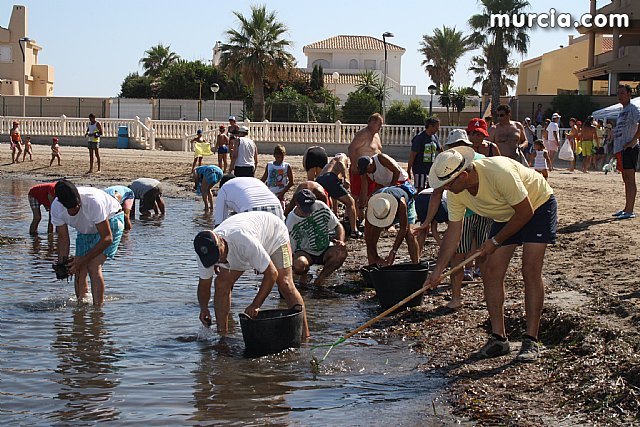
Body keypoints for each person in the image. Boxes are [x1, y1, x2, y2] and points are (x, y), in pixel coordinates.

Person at [424, 147, 557, 362]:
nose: (446, 188)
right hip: (505, 213)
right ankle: (499, 338)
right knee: (491, 271)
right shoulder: (457, 193)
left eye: (449, 183)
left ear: (464, 175)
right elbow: (453, 234)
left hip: (537, 205)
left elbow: (525, 212)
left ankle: (531, 340)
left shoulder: (498, 172)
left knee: (530, 269)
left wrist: (495, 241)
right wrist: (438, 271)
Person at [194, 211, 310, 338]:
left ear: (221, 241)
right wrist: (203, 308)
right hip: (244, 250)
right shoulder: (203, 252)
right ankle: (223, 338)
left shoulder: (243, 240)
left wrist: (256, 304)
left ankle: (305, 336)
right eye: (213, 260)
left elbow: (271, 274)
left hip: (274, 236)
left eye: (218, 256)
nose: (218, 261)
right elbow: (204, 284)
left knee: (285, 284)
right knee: (221, 283)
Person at [414, 129, 494, 308]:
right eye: (454, 147)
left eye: (459, 146)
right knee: (464, 253)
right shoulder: (448, 163)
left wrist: (427, 222)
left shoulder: (478, 160)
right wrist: (427, 222)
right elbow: (437, 193)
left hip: (479, 211)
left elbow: (437, 194)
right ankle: (459, 297)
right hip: (468, 211)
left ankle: (475, 296)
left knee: (475, 255)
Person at [51, 180, 125, 305]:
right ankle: (81, 306)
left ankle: (97, 312)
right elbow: (63, 240)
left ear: (79, 198)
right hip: (86, 228)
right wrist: (62, 264)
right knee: (78, 267)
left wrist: (83, 259)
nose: (73, 211)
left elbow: (107, 238)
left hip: (111, 220)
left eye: (76, 206)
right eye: (70, 208)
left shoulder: (93, 201)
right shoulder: (56, 207)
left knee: (93, 266)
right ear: (61, 203)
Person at [286, 189, 347, 286]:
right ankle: (304, 275)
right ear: (297, 205)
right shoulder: (291, 222)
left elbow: (338, 226)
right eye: (305, 210)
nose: (309, 213)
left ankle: (319, 280)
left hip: (324, 248)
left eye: (311, 208)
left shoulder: (321, 206)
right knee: (299, 265)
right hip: (304, 252)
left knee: (340, 253)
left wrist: (341, 240)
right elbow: (289, 249)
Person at [365, 184, 419, 266]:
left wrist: (393, 251)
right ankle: (373, 266)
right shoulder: (372, 206)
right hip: (381, 211)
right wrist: (376, 257)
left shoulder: (401, 203)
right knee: (372, 236)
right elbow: (367, 236)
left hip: (407, 205)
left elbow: (403, 229)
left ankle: (416, 265)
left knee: (410, 235)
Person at [315, 153, 361, 238]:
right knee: (351, 202)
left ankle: (324, 230)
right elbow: (341, 163)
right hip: (328, 178)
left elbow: (334, 196)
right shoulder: (342, 157)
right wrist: (345, 178)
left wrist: (336, 213)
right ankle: (354, 231)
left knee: (323, 206)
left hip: (319, 180)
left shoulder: (329, 166)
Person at [611, 84, 640, 220]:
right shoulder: (622, 110)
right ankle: (626, 208)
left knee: (630, 178)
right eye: (619, 93)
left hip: (629, 148)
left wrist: (633, 141)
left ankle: (630, 209)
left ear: (629, 94)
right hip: (621, 149)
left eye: (622, 93)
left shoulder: (633, 109)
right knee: (626, 178)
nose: (620, 95)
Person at [347, 113, 383, 220]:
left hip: (373, 171)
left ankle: (364, 217)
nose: (380, 126)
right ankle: (349, 217)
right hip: (360, 168)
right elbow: (351, 148)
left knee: (369, 195)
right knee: (356, 195)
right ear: (371, 122)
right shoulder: (362, 134)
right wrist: (354, 165)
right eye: (379, 124)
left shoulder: (376, 136)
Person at [214, 176, 284, 226]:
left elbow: (219, 224)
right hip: (276, 207)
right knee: (281, 240)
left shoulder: (223, 190)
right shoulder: (253, 180)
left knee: (253, 242)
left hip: (252, 211)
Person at [407, 117, 441, 191]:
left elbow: (440, 150)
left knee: (429, 189)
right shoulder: (419, 138)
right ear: (430, 126)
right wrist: (408, 170)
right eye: (437, 126)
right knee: (420, 189)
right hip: (420, 170)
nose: (438, 129)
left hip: (431, 170)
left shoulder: (435, 137)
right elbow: (413, 155)